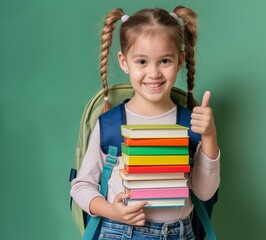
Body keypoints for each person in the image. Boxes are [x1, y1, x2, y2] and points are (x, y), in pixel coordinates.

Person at [70, 6, 220, 240]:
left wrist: (209, 136)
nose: (154, 73)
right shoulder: (109, 125)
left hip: (180, 233)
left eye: (164, 61)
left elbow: (204, 192)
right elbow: (81, 186)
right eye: (141, 61)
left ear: (180, 61)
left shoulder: (190, 124)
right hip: (119, 232)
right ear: (124, 61)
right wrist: (111, 210)